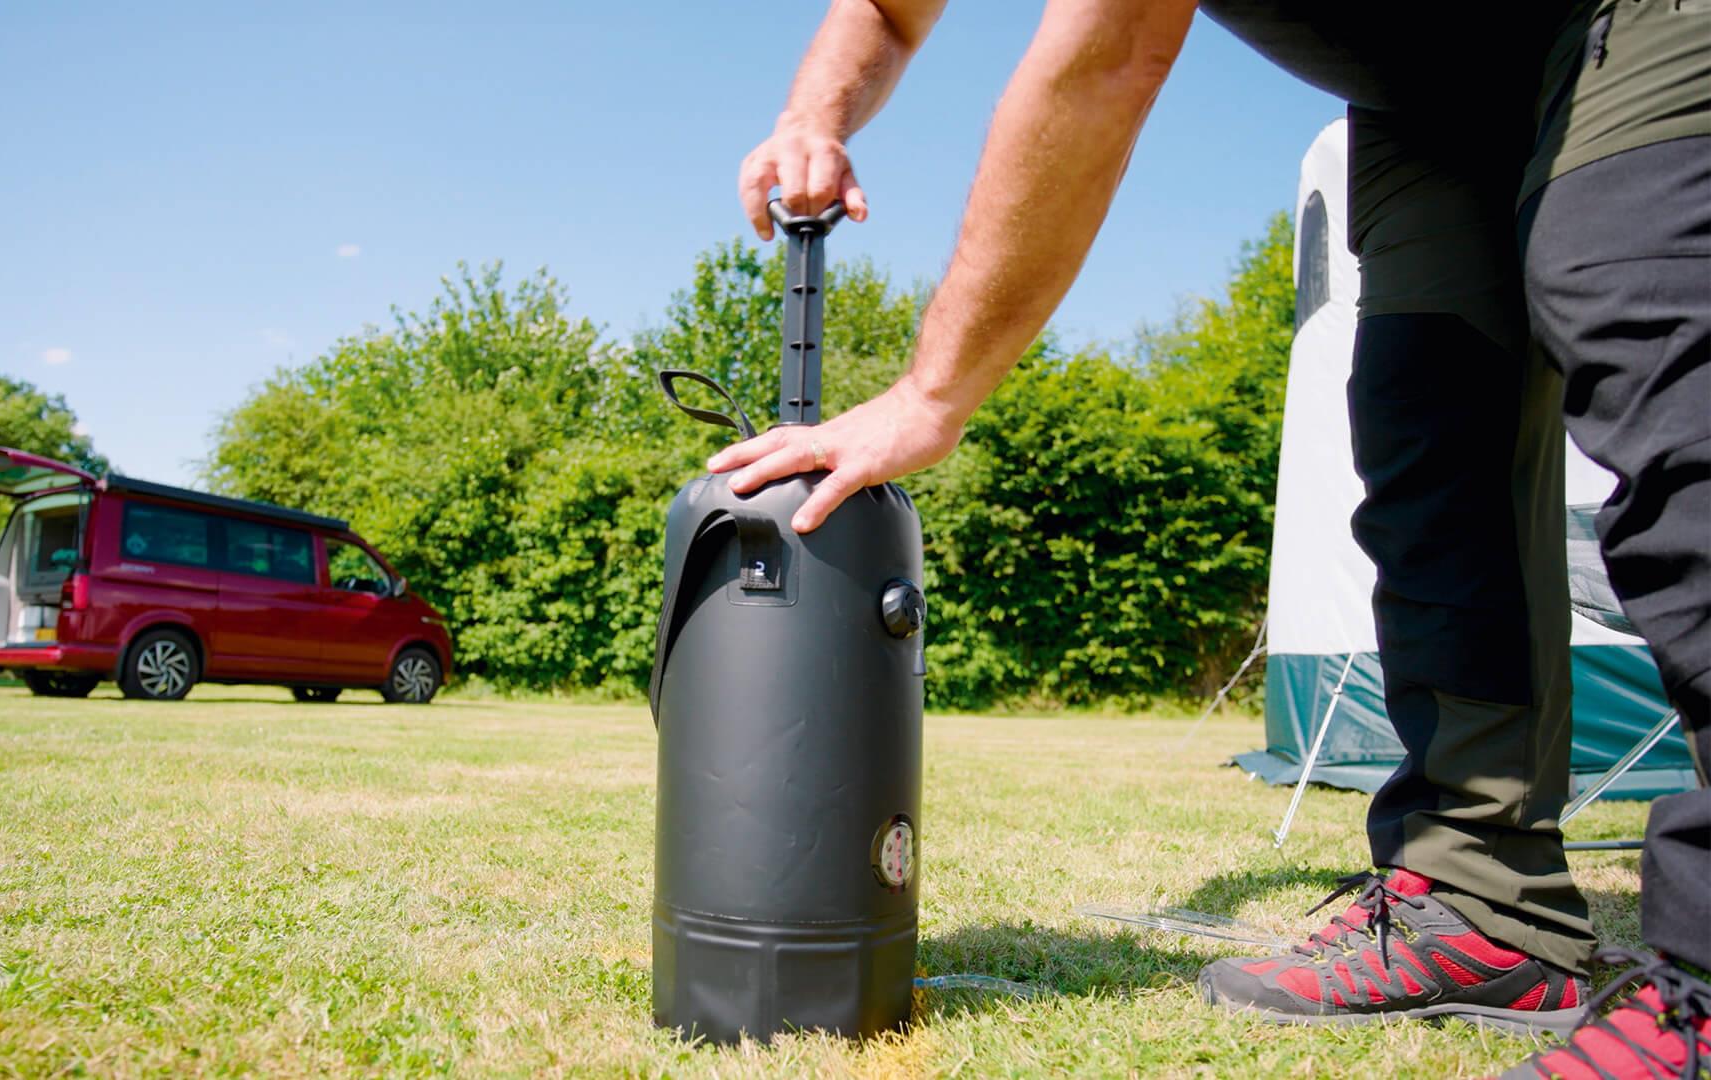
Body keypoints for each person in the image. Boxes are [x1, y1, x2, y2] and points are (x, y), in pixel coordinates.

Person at [719, 1, 1708, 1074]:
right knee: (1429, 426)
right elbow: (886, 10)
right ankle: (1485, 904)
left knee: (1641, 310)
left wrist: (930, 394)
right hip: (1426, 96)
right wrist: (813, 116)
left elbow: (1107, 58)